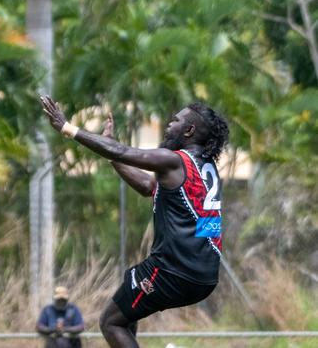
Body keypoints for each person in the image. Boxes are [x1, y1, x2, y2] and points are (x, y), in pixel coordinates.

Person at [40, 95, 229, 348]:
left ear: (189, 130)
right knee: (127, 303)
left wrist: (67, 127)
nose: (169, 125)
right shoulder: (205, 168)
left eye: (175, 121)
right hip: (204, 277)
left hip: (173, 271)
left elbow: (125, 151)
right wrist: (112, 155)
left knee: (110, 322)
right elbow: (149, 186)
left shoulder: (175, 160)